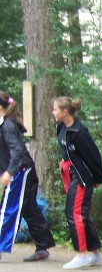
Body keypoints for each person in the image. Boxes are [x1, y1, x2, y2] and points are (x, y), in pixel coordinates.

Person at [0, 91, 55, 261]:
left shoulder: (8, 125)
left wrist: (9, 171)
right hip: (23, 170)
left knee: (8, 208)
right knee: (28, 207)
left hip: (20, 171)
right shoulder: (6, 124)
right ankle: (43, 245)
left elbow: (17, 151)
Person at [53, 96, 102, 269]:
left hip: (83, 177)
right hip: (72, 174)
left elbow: (94, 156)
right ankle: (95, 254)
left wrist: (98, 178)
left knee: (75, 214)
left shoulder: (79, 133)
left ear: (64, 112)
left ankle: (81, 254)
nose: (53, 112)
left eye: (55, 110)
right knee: (79, 214)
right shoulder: (61, 127)